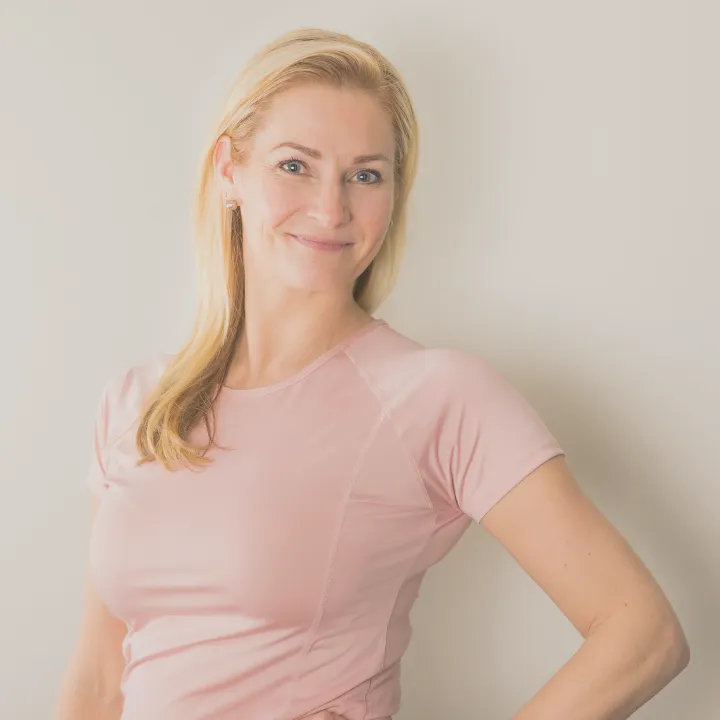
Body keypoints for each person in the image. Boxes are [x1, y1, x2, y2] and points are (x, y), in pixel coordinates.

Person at [55, 27, 690, 720]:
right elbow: (96, 683)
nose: (331, 209)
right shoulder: (135, 404)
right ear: (229, 172)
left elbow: (642, 635)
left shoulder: (438, 395)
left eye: (365, 175)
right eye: (295, 165)